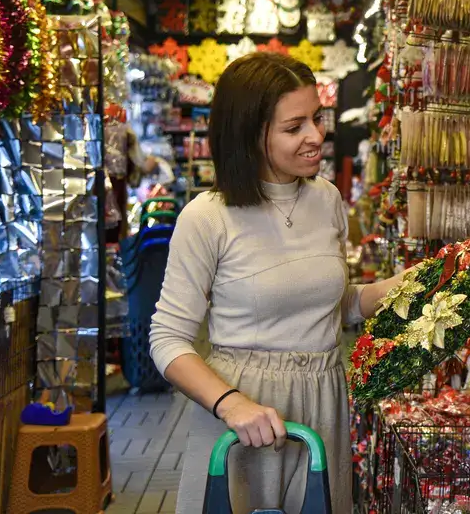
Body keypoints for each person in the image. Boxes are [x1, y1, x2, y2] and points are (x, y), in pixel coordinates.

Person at [149, 52, 402, 513]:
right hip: (241, 414)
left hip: (322, 402)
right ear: (250, 134)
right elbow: (167, 340)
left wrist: (385, 292)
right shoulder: (207, 217)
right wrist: (230, 404)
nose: (316, 137)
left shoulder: (326, 200)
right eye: (294, 127)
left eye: (317, 119)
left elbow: (326, 304)